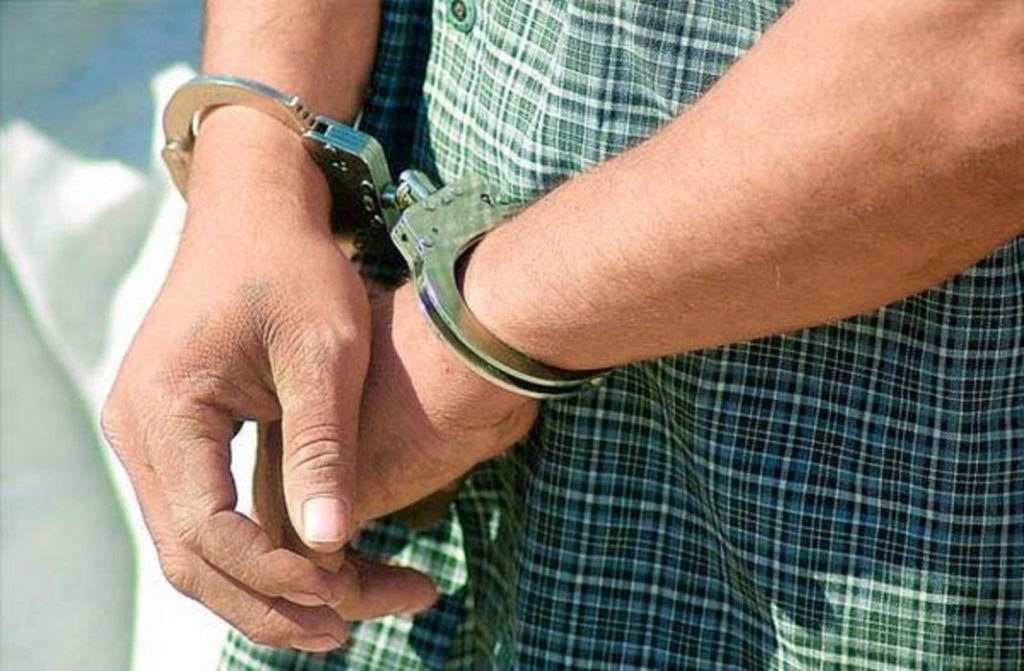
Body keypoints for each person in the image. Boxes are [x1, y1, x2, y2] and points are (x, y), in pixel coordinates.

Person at [102, 0, 1024, 668]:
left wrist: (469, 337)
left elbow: (988, 57)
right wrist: (254, 163)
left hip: (823, 520)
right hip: (409, 436)